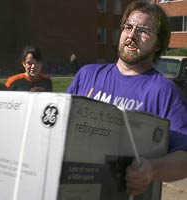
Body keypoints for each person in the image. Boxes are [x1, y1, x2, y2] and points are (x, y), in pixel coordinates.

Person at [66, 1, 187, 196]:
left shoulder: (164, 91)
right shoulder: (87, 75)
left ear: (158, 44)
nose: (132, 35)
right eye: (128, 27)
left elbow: (184, 158)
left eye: (144, 31)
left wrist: (152, 169)